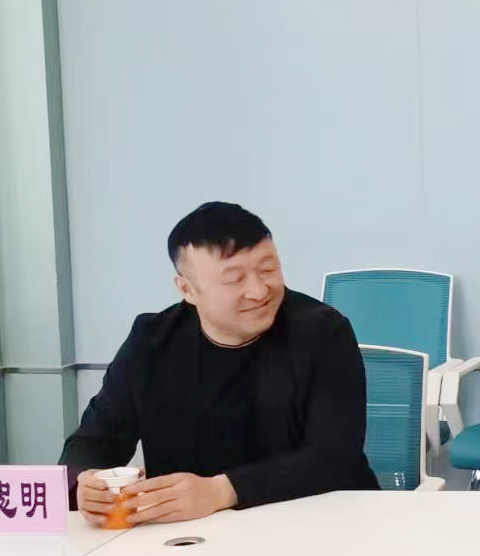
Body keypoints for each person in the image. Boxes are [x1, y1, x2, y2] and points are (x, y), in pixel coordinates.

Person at [60, 202, 377, 525]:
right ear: (187, 289)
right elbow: (94, 439)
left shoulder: (322, 332)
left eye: (268, 270)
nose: (258, 291)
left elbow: (333, 456)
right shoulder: (151, 341)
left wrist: (223, 491)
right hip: (187, 536)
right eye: (234, 279)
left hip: (314, 524)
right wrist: (84, 482)